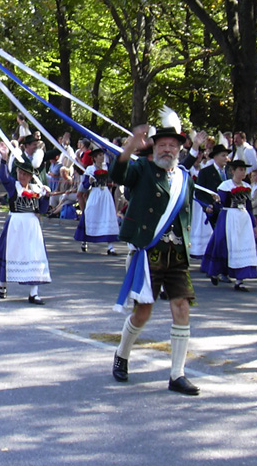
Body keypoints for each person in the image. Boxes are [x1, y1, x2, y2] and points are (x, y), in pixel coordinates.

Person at [109, 107, 203, 396]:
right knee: (143, 314)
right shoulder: (143, 169)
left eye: (172, 145)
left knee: (182, 308)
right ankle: (122, 354)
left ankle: (177, 374)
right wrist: (128, 147)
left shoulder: (185, 179)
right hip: (148, 254)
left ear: (179, 149)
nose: (167, 149)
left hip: (176, 255)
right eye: (162, 145)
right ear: (154, 148)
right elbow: (119, 172)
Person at [0, 142, 52, 304]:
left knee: (34, 254)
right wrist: (3, 159)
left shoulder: (36, 189)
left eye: (25, 174)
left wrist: (46, 196)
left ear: (30, 176)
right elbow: (3, 177)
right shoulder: (13, 187)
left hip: (31, 225)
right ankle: (2, 283)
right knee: (9, 252)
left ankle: (34, 292)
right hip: (15, 224)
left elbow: (42, 209)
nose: (22, 176)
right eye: (19, 173)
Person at [200, 159, 257, 291]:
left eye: (244, 170)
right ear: (233, 171)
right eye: (240, 169)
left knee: (242, 245)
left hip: (242, 219)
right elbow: (219, 204)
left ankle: (240, 280)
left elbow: (249, 207)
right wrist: (211, 209)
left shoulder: (247, 186)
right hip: (228, 217)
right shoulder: (225, 186)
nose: (243, 172)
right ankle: (216, 271)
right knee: (222, 244)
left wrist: (254, 225)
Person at [74, 148, 118, 255]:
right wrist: (89, 181)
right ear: (94, 158)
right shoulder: (90, 169)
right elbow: (84, 185)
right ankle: (84, 240)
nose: (102, 157)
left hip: (105, 193)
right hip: (95, 193)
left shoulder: (107, 167)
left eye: (102, 155)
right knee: (89, 214)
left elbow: (114, 178)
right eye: (99, 155)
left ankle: (110, 246)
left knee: (108, 216)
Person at [191, 141, 229, 262]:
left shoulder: (229, 172)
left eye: (226, 155)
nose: (226, 158)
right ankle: (213, 262)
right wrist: (207, 205)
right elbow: (199, 192)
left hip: (227, 209)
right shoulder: (206, 172)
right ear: (215, 157)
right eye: (223, 155)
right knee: (216, 237)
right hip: (212, 210)